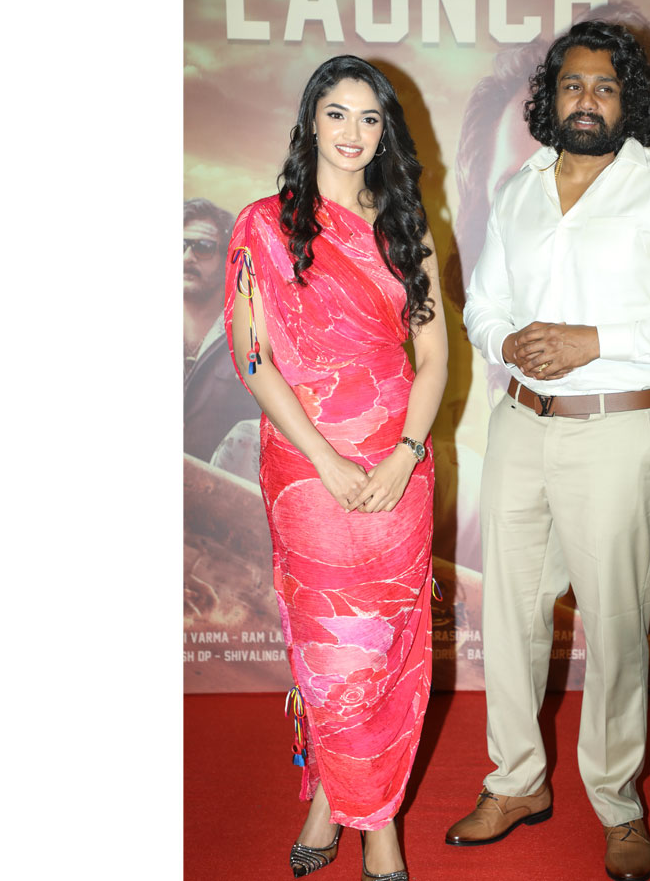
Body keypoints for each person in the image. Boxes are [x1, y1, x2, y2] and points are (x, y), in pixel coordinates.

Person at [450, 21, 650, 881]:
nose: (587, 101)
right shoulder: (520, 189)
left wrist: (593, 343)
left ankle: (618, 806)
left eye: (605, 88)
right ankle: (516, 783)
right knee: (508, 614)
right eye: (573, 85)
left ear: (628, 101)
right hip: (519, 424)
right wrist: (507, 343)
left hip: (618, 428)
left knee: (614, 625)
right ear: (552, 96)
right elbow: (482, 304)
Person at [224, 55, 447, 881]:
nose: (354, 132)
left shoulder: (406, 228)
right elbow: (253, 358)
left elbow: (434, 358)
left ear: (386, 132)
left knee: (386, 647)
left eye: (370, 118)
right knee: (330, 650)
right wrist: (324, 459)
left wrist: (405, 455)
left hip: (399, 465)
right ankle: (375, 825)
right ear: (310, 122)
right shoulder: (262, 226)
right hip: (305, 467)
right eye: (337, 114)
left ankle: (338, 803)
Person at [184, 197, 262, 466]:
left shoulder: (253, 339)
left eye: (203, 247)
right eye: (180, 246)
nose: (187, 257)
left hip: (220, 488)